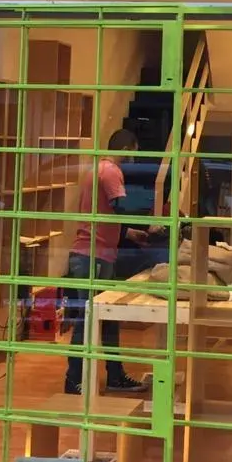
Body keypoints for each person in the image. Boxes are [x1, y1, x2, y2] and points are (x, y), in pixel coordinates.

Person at [63, 129, 149, 395]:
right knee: (88, 319)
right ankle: (75, 379)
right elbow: (120, 207)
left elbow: (104, 215)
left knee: (106, 317)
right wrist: (152, 220)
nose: (134, 159)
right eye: (133, 152)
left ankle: (114, 375)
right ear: (126, 148)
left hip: (94, 253)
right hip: (94, 256)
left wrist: (129, 233)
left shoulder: (95, 169)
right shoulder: (112, 171)